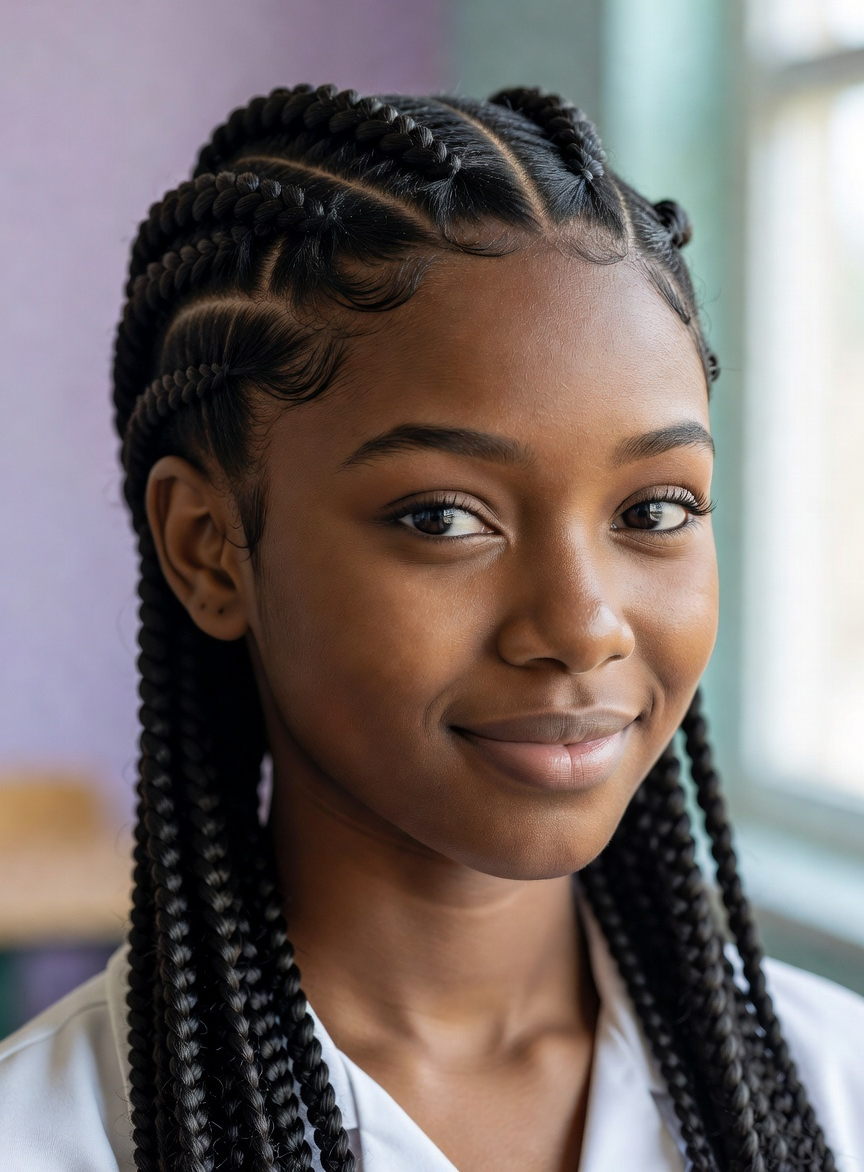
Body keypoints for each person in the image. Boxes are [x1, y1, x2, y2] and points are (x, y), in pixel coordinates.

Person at [0, 84, 861, 1172]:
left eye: (656, 510)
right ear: (210, 547)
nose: (582, 626)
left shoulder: (835, 1090)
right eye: (445, 518)